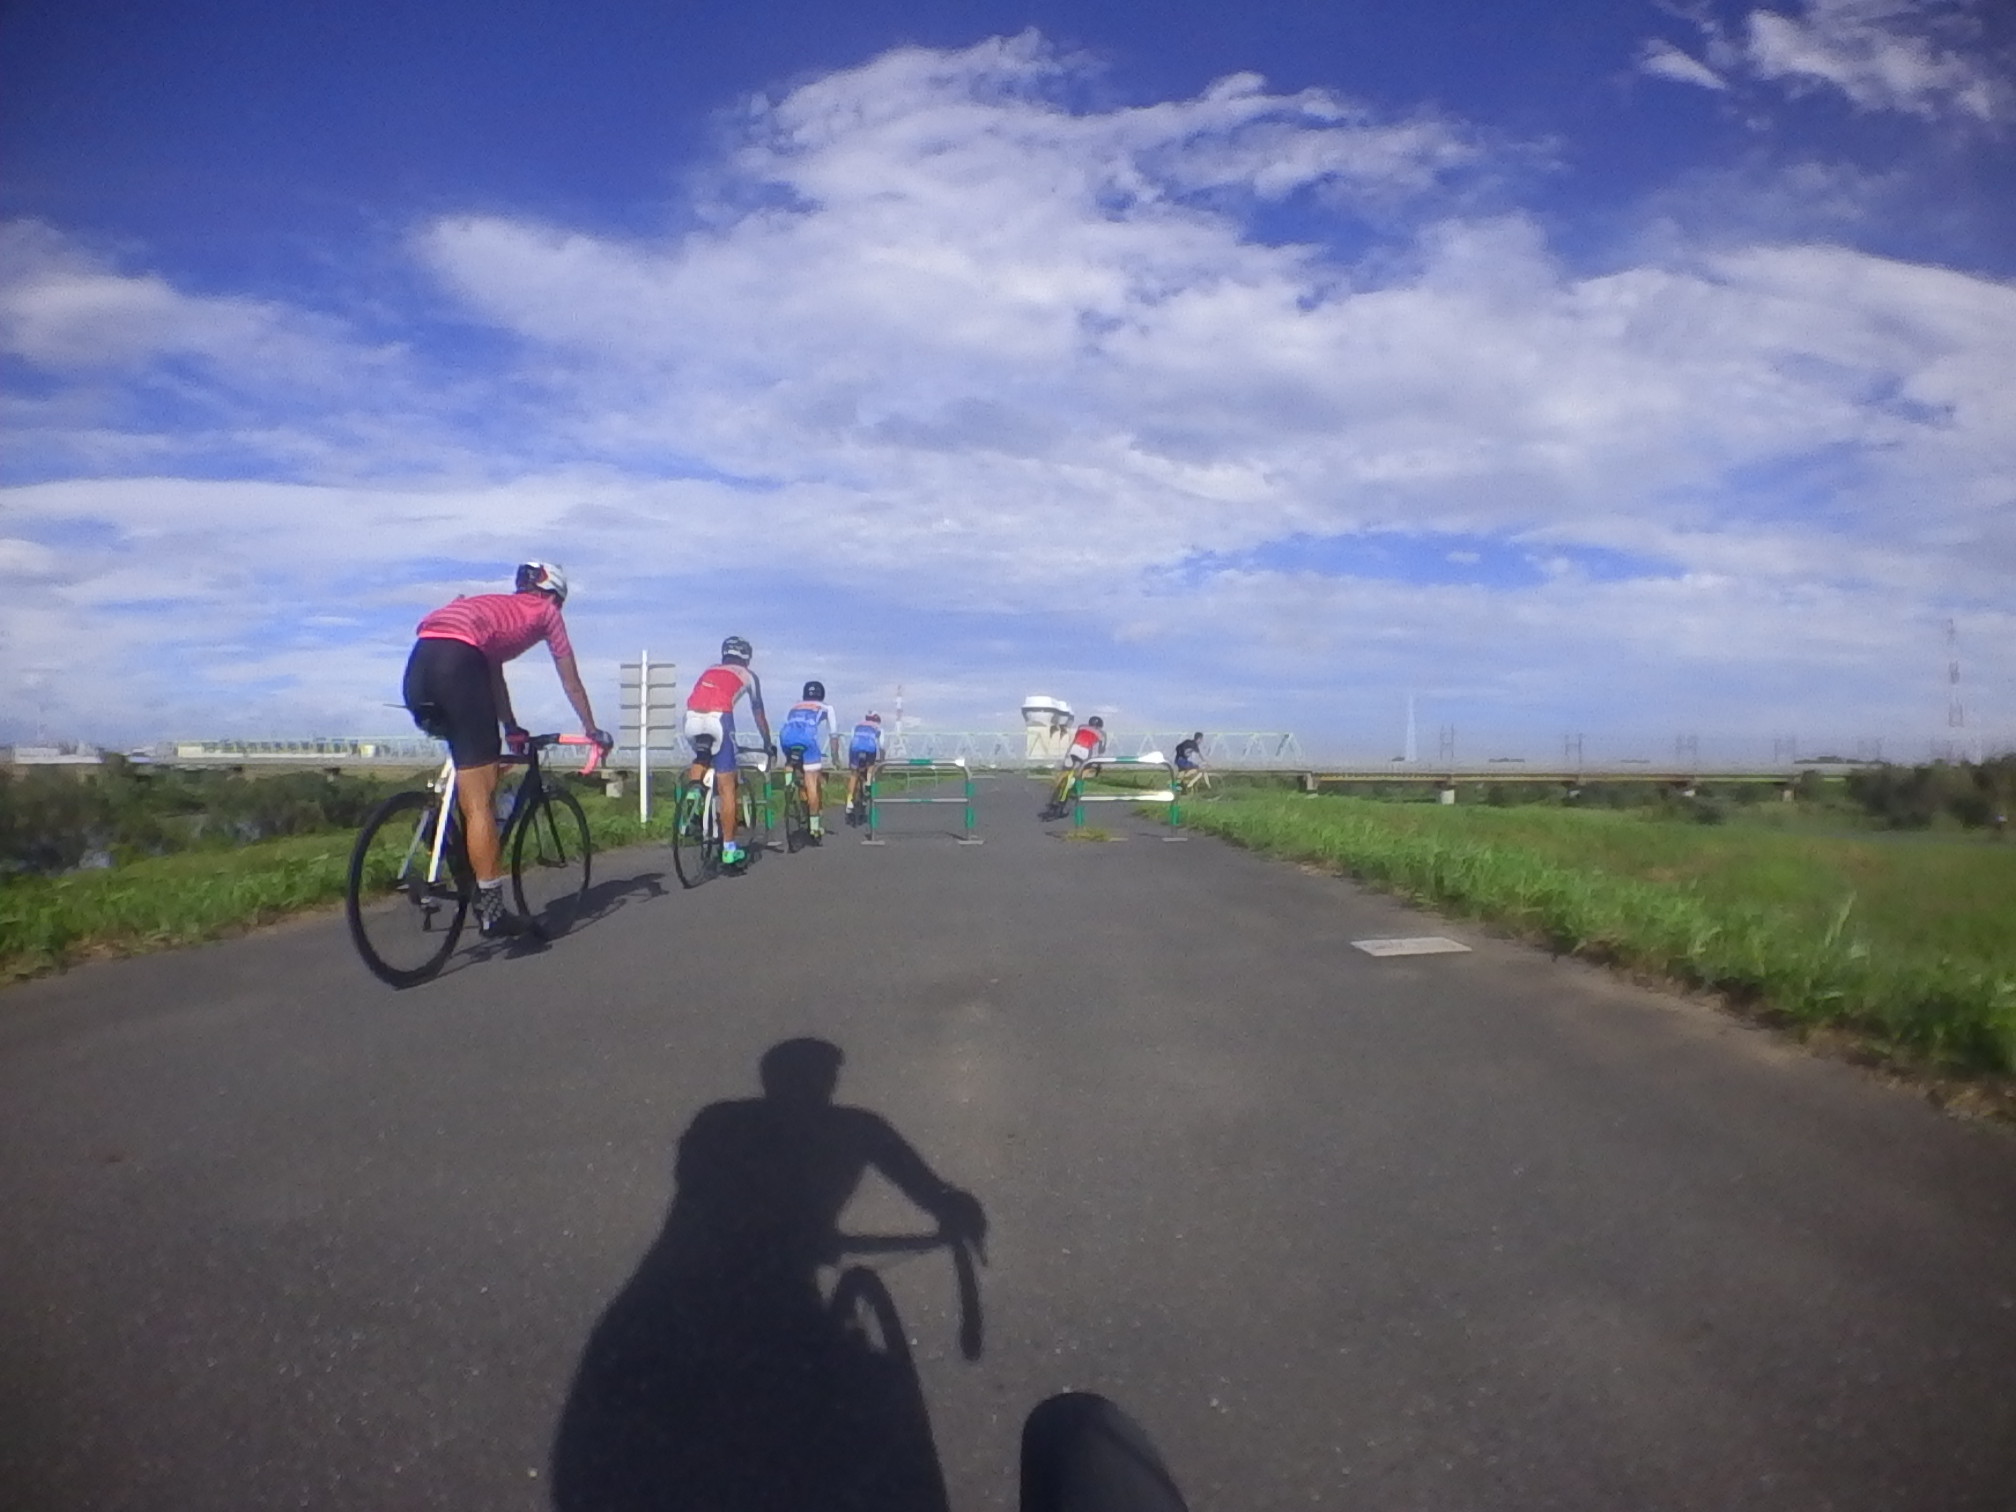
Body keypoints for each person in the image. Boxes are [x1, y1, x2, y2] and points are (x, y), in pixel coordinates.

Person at [402, 562, 611, 939]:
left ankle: (445, 835)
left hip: (419, 667)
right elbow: (571, 682)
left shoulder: (491, 607)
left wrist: (511, 725)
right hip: (458, 666)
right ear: (555, 596)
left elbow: (492, 675)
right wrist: (592, 729)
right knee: (480, 802)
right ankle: (493, 913)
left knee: (471, 765)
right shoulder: (546, 612)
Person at [681, 636, 774, 870]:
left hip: (691, 718)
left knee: (702, 758)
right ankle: (729, 850)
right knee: (727, 786)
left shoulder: (710, 669)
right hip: (719, 719)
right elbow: (759, 715)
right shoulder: (749, 676)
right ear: (747, 657)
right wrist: (767, 743)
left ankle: (691, 807)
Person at [777, 680, 839, 841]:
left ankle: (788, 781)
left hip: (786, 738)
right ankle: (814, 827)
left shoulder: (794, 706)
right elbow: (833, 734)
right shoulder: (826, 707)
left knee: (791, 760)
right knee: (812, 785)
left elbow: (787, 724)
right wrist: (835, 757)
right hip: (807, 740)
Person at [1044, 714, 1107, 818]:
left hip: (1073, 750)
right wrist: (1099, 765)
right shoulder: (1102, 733)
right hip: (1085, 753)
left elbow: (1075, 739)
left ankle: (1053, 797)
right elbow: (1100, 751)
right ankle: (1077, 795)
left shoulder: (1082, 727)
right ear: (1100, 725)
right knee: (1081, 774)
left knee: (1063, 773)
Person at [844, 712, 884, 826]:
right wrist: (882, 761)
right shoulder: (878, 728)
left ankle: (849, 802)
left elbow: (852, 741)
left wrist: (850, 761)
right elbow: (881, 745)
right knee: (871, 765)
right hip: (870, 748)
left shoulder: (857, 726)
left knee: (854, 774)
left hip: (855, 748)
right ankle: (868, 782)